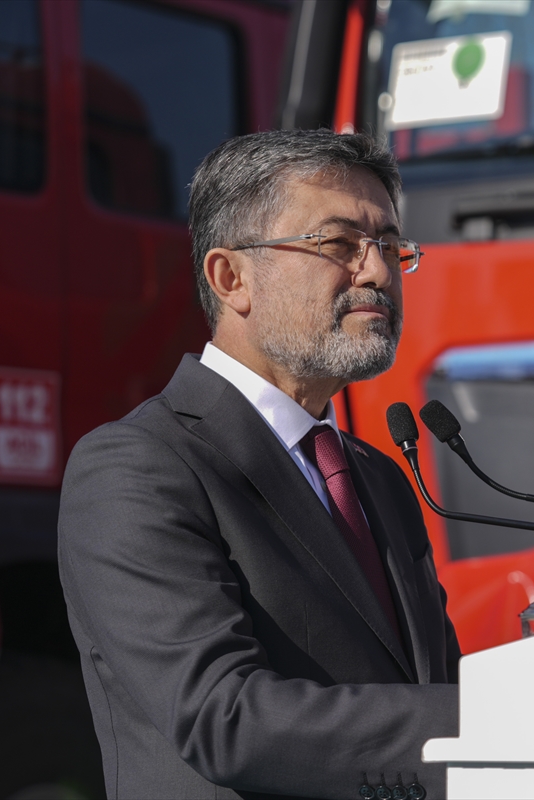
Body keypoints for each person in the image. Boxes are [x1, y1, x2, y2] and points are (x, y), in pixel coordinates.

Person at [58, 129, 458, 800]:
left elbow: (430, 687)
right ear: (231, 278)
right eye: (339, 244)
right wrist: (492, 718)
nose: (377, 272)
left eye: (390, 246)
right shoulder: (138, 468)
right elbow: (223, 718)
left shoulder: (380, 476)